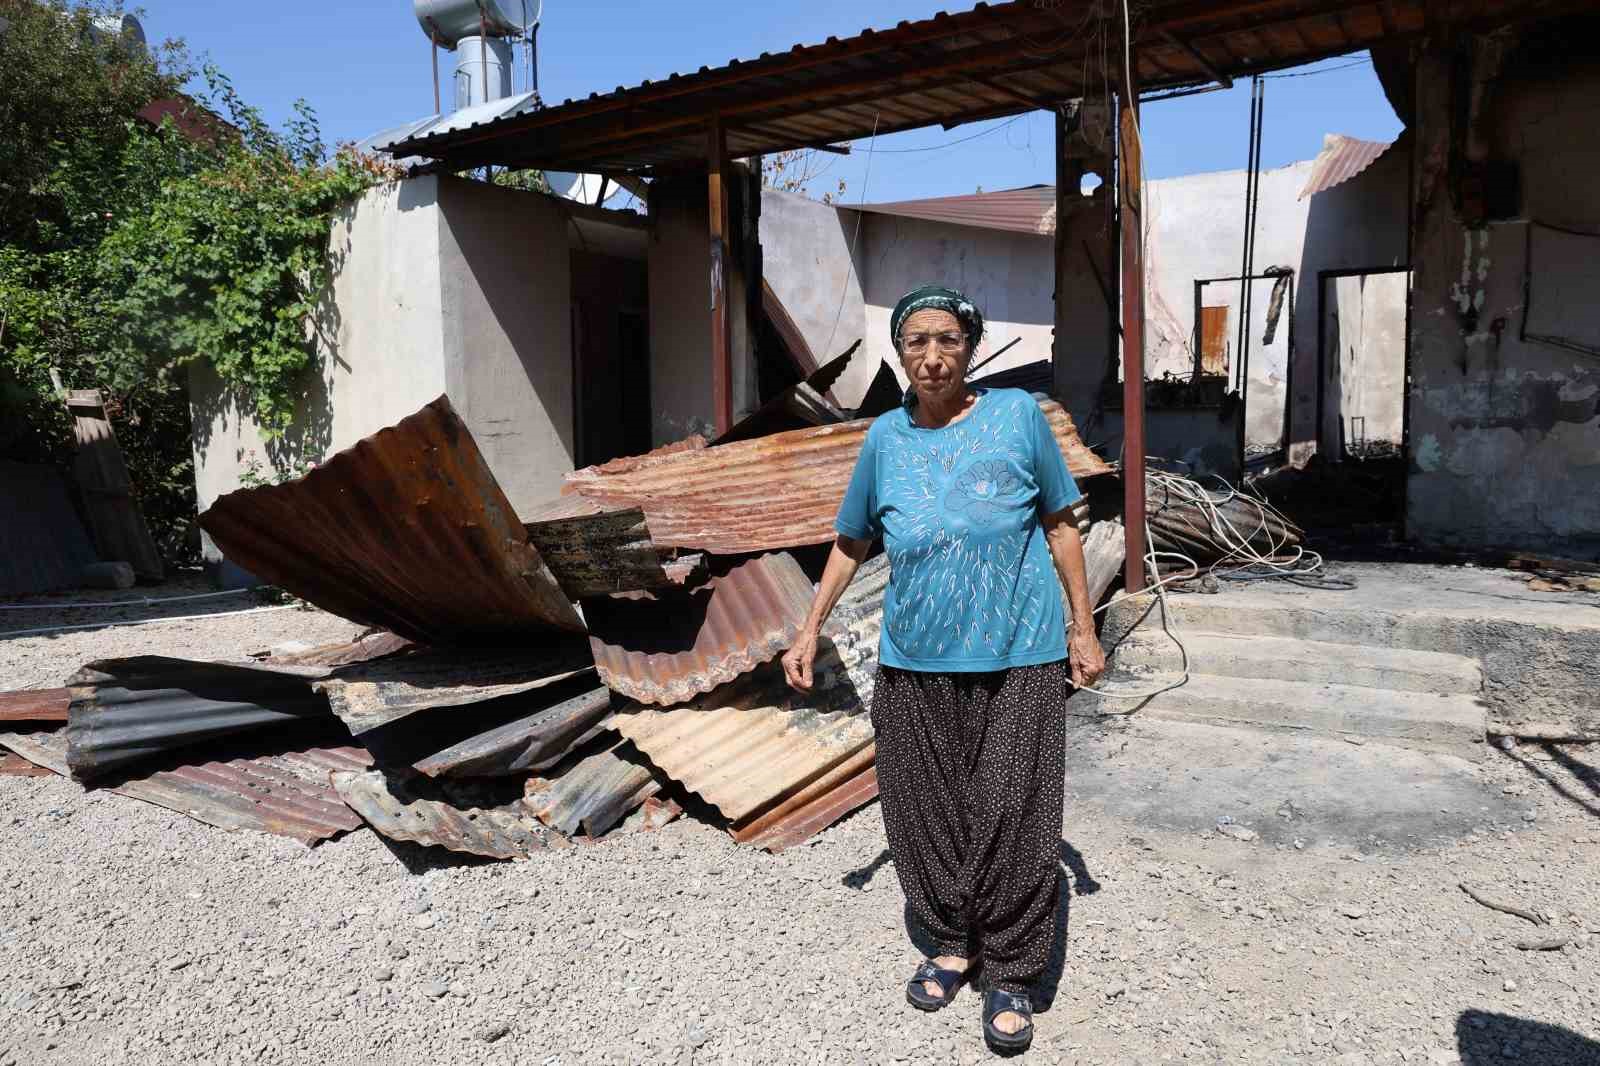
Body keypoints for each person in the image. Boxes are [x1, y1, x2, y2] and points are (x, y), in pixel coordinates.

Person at [782, 284, 1106, 1054]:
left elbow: (1062, 526)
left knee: (1012, 810)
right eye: (917, 342)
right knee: (925, 810)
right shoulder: (884, 440)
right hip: (914, 656)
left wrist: (1083, 628)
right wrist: (808, 628)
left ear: (971, 347)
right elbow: (851, 541)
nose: (932, 356)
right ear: (900, 352)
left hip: (1019, 650)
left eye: (948, 340)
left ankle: (1011, 972)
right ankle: (954, 942)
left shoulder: (1018, 417)